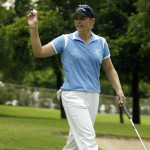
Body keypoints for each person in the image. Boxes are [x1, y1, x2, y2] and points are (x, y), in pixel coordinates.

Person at [27, 4, 126, 150]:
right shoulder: (66, 40)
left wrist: (119, 90)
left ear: (92, 21)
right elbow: (39, 52)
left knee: (73, 144)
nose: (78, 22)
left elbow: (110, 69)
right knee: (88, 140)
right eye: (76, 19)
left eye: (82, 18)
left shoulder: (101, 42)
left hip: (93, 95)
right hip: (72, 95)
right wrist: (33, 27)